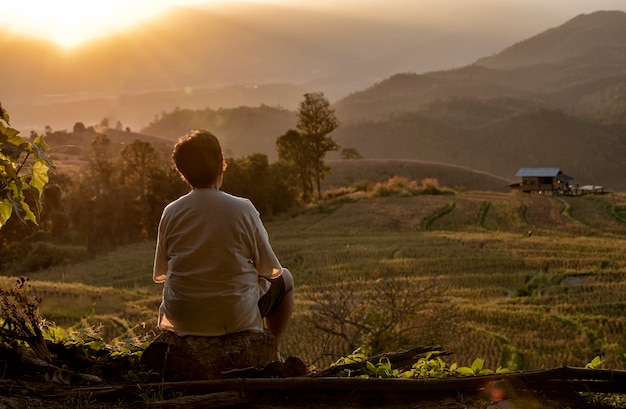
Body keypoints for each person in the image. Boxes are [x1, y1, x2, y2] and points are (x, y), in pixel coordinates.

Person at [152, 129, 294, 362]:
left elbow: (162, 272)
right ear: (221, 164)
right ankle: (272, 353)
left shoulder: (171, 211)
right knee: (286, 279)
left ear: (182, 172)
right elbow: (270, 270)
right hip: (234, 317)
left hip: (181, 317)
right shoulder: (242, 208)